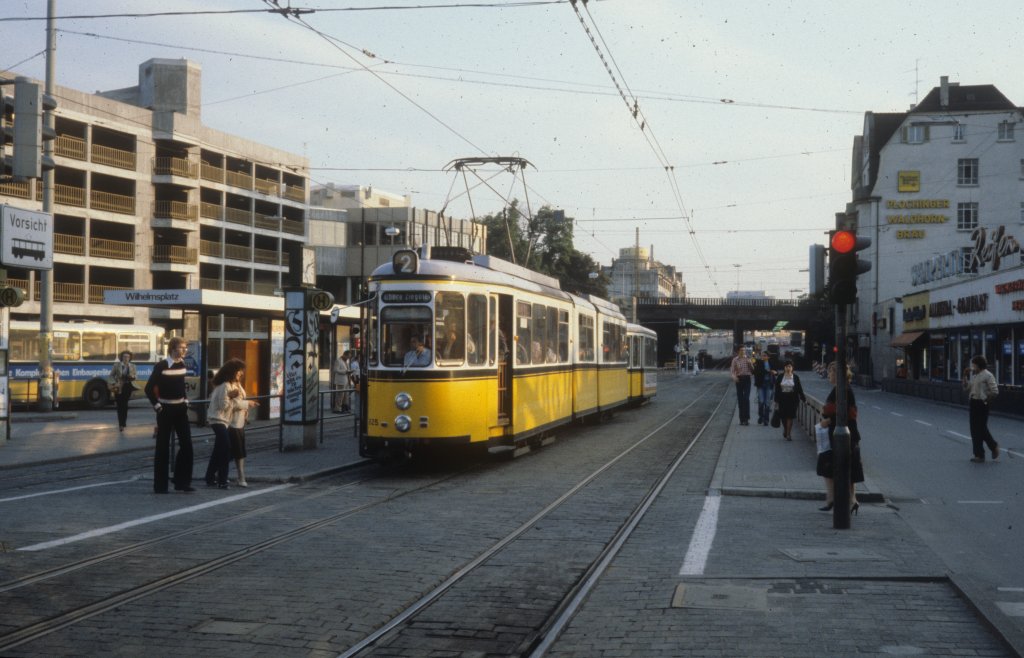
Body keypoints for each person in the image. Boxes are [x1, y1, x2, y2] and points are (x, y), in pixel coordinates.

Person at [145, 336, 194, 493]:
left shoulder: (182, 364)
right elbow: (148, 388)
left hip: (180, 410)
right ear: (173, 349)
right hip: (165, 410)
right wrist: (157, 406)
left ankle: (181, 482)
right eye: (182, 347)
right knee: (162, 448)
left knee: (187, 446)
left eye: (185, 347)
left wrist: (185, 400)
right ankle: (160, 486)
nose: (185, 350)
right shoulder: (162, 365)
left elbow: (181, 385)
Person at [819, 362, 864, 514]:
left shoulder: (842, 390)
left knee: (830, 465)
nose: (828, 375)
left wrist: (828, 420)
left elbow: (845, 413)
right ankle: (850, 500)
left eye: (830, 372)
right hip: (846, 434)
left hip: (842, 435)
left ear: (837, 374)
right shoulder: (842, 389)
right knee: (847, 467)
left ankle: (837, 498)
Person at [204, 359, 251, 489]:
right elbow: (223, 405)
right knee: (226, 448)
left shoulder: (229, 384)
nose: (240, 374)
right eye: (238, 372)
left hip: (223, 420)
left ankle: (209, 477)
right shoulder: (225, 385)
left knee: (219, 449)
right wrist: (231, 397)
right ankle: (222, 480)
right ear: (232, 372)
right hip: (218, 420)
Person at [963, 355, 1000, 462]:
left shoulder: (988, 375)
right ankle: (979, 454)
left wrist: (986, 399)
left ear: (979, 365)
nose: (972, 367)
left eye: (974, 364)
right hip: (973, 402)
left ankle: (992, 447)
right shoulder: (975, 376)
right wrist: (964, 376)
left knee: (981, 428)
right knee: (974, 429)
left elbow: (995, 391)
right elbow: (967, 389)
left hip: (982, 403)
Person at [773, 359, 806, 440]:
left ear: (792, 368)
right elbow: (777, 389)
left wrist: (803, 399)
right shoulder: (780, 377)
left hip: (793, 399)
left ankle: (788, 434)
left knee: (790, 417)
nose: (788, 368)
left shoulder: (796, 377)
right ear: (784, 368)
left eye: (790, 366)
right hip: (782, 399)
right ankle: (785, 429)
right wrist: (776, 400)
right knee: (783, 417)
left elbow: (799, 389)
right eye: (786, 367)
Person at [108, 350, 137, 431]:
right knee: (119, 405)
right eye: (124, 357)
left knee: (124, 405)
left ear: (130, 358)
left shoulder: (133, 366)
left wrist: (132, 376)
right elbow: (111, 376)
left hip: (127, 387)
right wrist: (114, 383)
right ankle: (121, 424)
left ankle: (123, 423)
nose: (126, 358)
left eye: (128, 357)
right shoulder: (117, 365)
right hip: (118, 387)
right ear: (122, 357)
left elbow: (135, 376)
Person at [730, 346, 754, 426]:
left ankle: (746, 419)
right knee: (740, 399)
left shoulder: (748, 358)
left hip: (747, 379)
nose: (743, 351)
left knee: (746, 399)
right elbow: (732, 371)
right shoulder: (735, 360)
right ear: (738, 351)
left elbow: (753, 370)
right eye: (741, 350)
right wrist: (734, 377)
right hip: (739, 380)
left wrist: (750, 364)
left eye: (744, 350)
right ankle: (741, 419)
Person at [752, 351, 776, 426]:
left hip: (769, 384)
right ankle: (761, 416)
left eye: (765, 355)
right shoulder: (759, 363)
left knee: (767, 402)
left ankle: (766, 419)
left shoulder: (772, 363)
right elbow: (757, 372)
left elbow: (776, 372)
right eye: (762, 355)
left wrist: (775, 372)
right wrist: (769, 372)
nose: (763, 357)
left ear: (768, 357)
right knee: (761, 401)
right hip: (761, 384)